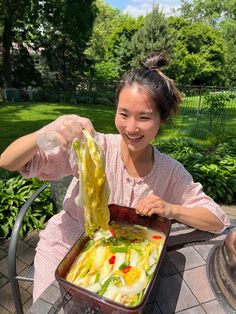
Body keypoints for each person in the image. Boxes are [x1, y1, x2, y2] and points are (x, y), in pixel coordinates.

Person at [0, 52, 230, 301]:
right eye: (123, 114)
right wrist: (46, 133)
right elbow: (9, 161)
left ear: (162, 119)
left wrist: (170, 209)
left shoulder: (170, 171)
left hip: (120, 259)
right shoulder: (93, 149)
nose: (131, 128)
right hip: (64, 246)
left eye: (144, 117)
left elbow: (216, 220)